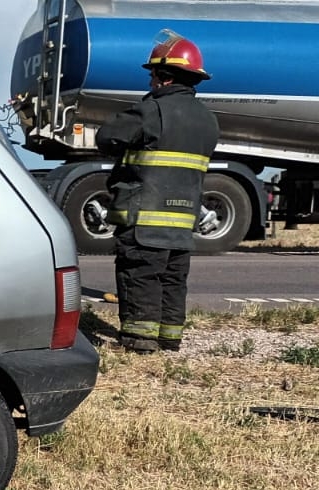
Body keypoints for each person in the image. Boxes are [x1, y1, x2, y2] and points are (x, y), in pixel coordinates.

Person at [97, 30, 220, 352]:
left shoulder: (151, 111)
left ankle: (140, 340)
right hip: (183, 221)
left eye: (153, 75)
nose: (150, 81)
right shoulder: (208, 120)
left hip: (145, 216)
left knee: (140, 275)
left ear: (164, 77)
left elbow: (107, 137)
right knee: (172, 279)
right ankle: (169, 338)